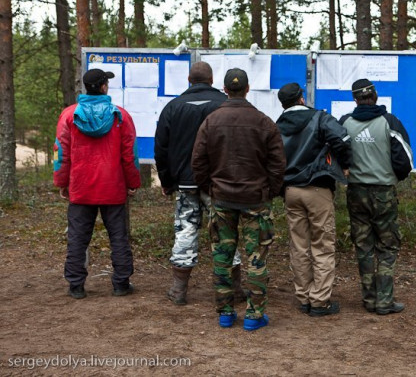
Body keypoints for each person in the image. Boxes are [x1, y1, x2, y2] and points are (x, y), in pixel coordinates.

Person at [191, 68, 285, 330]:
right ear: (247, 89)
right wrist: (270, 192)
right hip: (255, 200)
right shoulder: (264, 122)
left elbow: (198, 162)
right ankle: (254, 316)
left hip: (222, 200)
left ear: (224, 90)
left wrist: (210, 188)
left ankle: (225, 313)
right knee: (257, 258)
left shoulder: (211, 122)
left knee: (222, 256)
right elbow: (278, 164)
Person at [154, 61, 244, 306]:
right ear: (213, 80)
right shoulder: (224, 106)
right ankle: (234, 289)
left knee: (185, 231)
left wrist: (166, 180)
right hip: (220, 184)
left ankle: (178, 290)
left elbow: (161, 148)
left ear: (188, 80)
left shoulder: (172, 107)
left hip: (186, 183)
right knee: (225, 233)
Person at [53, 68, 141, 299]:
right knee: (119, 237)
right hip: (112, 187)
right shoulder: (120, 116)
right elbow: (129, 154)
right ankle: (121, 284)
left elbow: (60, 153)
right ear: (103, 87)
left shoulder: (69, 116)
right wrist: (133, 181)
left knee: (77, 238)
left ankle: (76, 285)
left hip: (81, 187)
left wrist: (62, 181)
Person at [275, 83, 351, 317]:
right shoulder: (320, 118)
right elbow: (342, 140)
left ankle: (304, 297)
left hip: (291, 191)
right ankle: (319, 301)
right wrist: (345, 164)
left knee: (299, 246)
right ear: (300, 99)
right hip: (317, 188)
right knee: (322, 245)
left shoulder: (277, 125)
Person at [339, 79, 413, 315]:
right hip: (383, 192)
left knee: (363, 245)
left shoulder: (345, 124)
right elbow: (404, 161)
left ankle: (369, 298)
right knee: (387, 245)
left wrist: (347, 169)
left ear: (355, 99)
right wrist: (391, 177)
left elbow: (337, 151)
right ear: (376, 96)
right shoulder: (389, 123)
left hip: (356, 192)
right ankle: (384, 300)